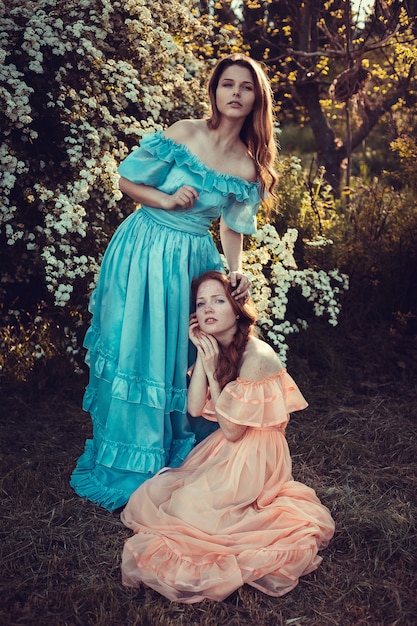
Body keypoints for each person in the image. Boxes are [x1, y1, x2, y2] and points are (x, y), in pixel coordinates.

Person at [70, 53, 278, 511]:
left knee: (176, 353)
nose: (236, 93)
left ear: (256, 99)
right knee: (137, 348)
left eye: (246, 87)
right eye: (228, 84)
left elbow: (231, 226)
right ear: (216, 90)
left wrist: (233, 269)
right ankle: (128, 458)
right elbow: (126, 181)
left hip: (190, 260)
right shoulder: (186, 132)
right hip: (143, 247)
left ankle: (167, 452)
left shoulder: (247, 166)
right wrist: (165, 198)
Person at [120, 271, 335, 603]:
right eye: (201, 303)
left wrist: (213, 373)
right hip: (232, 445)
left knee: (193, 508)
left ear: (237, 309)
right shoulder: (214, 346)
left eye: (218, 301)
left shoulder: (256, 356)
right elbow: (194, 408)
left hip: (256, 451)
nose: (208, 309)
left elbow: (234, 431)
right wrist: (205, 360)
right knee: (175, 497)